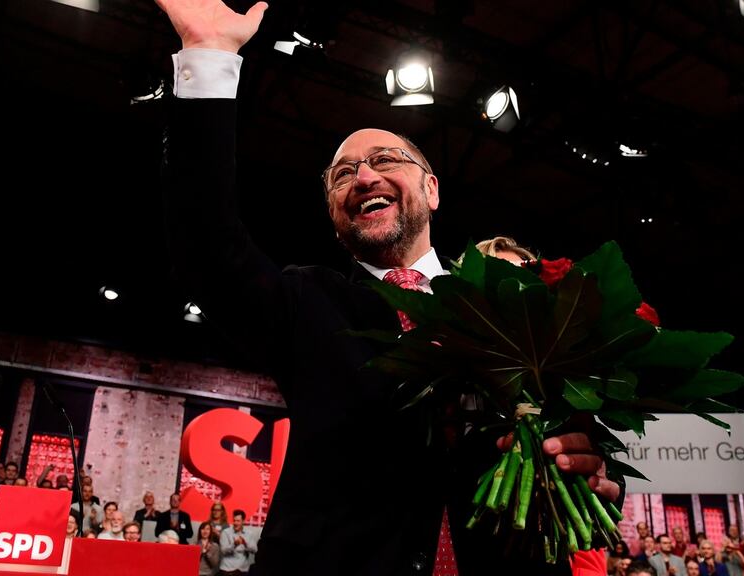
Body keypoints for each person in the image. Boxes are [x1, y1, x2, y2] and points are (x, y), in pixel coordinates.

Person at [152, 1, 620, 573]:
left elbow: (576, 438)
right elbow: (207, 247)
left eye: (384, 160)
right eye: (343, 174)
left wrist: (588, 463)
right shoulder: (307, 304)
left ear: (433, 190)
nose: (365, 176)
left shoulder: (513, 305)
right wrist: (210, 53)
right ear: (333, 213)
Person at [220, 509, 257, 575]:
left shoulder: (249, 534)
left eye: (238, 521)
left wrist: (245, 544)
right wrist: (234, 544)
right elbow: (223, 551)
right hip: (227, 569)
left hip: (242, 569)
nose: (235, 523)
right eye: (234, 520)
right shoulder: (226, 532)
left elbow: (255, 550)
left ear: (243, 521)